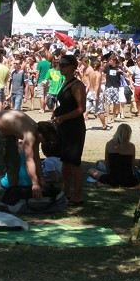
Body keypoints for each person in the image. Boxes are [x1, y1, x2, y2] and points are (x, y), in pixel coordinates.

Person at [0, 110, 59, 211]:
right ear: (41, 134)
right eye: (46, 140)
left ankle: (12, 197)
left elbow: (36, 158)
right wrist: (35, 184)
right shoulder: (30, 134)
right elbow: (29, 160)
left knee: (14, 165)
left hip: (7, 132)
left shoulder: (36, 133)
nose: (45, 143)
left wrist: (41, 180)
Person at [52, 54, 87, 205]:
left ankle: (77, 195)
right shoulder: (65, 82)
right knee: (65, 161)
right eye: (59, 64)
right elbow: (66, 104)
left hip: (74, 127)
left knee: (74, 162)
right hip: (64, 127)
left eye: (63, 64)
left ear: (72, 66)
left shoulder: (77, 85)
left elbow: (81, 109)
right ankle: (65, 192)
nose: (60, 66)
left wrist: (62, 117)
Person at [89, 123, 137, 187]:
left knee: (91, 170)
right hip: (129, 180)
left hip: (112, 179)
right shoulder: (132, 146)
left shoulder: (109, 144)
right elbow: (132, 164)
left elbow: (107, 164)